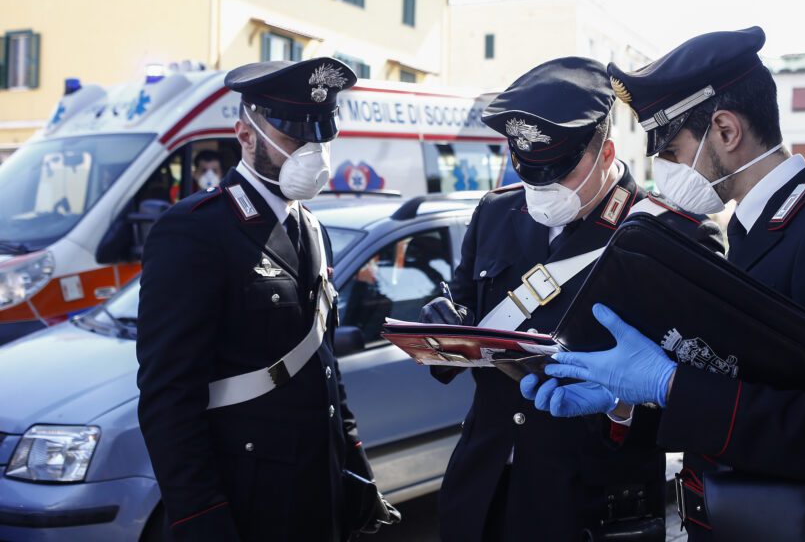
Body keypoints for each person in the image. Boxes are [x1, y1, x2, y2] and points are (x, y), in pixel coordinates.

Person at [522, 27, 805, 541]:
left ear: (725, 130)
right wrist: (624, 400)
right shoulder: (750, 228)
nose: (666, 172)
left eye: (673, 153)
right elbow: (739, 383)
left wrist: (668, 384)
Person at [419, 56, 724, 541]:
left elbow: (707, 396)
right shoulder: (497, 212)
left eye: (558, 171)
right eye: (529, 171)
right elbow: (467, 311)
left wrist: (622, 403)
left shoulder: (674, 237)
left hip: (589, 503)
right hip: (482, 492)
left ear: (606, 152)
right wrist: (444, 332)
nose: (541, 187)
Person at [137, 57, 397, 541]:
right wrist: (202, 521)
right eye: (296, 133)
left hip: (317, 491)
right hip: (249, 499)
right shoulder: (196, 231)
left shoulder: (312, 228)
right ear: (246, 134)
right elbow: (168, 396)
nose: (313, 150)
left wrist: (354, 464)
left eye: (321, 132)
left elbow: (323, 367)